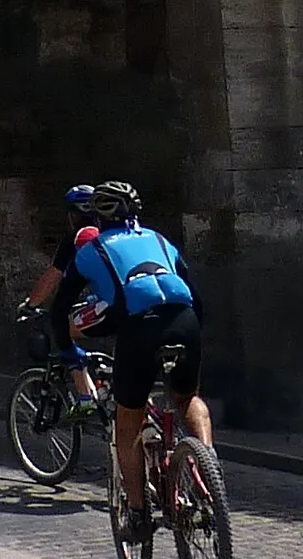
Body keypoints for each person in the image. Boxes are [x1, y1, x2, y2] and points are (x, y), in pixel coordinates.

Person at [66, 181, 212, 519]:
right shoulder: (159, 240)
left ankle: (135, 510)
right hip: (185, 321)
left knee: (126, 422)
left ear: (96, 218)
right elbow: (195, 296)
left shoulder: (93, 248)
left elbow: (65, 307)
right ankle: (208, 467)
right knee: (188, 398)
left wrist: (67, 349)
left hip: (139, 329)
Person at [25, 184, 103, 403]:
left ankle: (86, 397)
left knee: (62, 329)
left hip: (107, 306)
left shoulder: (77, 238)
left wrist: (31, 305)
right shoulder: (111, 231)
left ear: (74, 213)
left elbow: (52, 277)